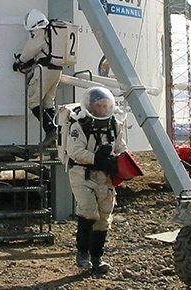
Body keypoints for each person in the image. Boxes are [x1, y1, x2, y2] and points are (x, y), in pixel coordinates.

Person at [64, 86, 127, 274]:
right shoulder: (80, 125)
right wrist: (97, 158)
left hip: (104, 176)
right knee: (88, 211)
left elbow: (121, 148)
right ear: (90, 106)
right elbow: (75, 151)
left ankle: (97, 258)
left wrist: (119, 163)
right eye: (99, 105)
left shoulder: (114, 125)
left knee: (104, 217)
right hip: (82, 173)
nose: (102, 109)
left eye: (105, 105)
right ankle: (82, 253)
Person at [13, 9, 61, 147]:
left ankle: (51, 131)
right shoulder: (53, 32)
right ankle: (55, 135)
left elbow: (30, 49)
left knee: (33, 100)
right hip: (57, 69)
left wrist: (20, 61)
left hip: (44, 70)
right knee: (48, 102)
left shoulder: (40, 33)